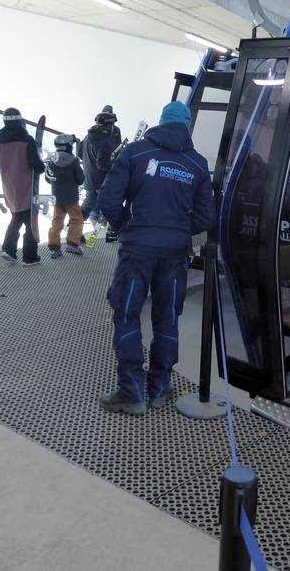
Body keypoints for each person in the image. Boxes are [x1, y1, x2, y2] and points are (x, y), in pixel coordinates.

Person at [97, 100, 215, 415]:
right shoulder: (197, 164)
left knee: (127, 313)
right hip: (175, 254)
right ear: (187, 126)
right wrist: (179, 231)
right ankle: (160, 387)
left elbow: (108, 199)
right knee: (167, 317)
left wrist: (126, 226)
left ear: (161, 122)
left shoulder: (135, 153)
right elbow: (206, 217)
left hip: (136, 251)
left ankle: (132, 392)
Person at [0, 107, 45, 266]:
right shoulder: (27, 139)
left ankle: (8, 250)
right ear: (20, 121)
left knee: (16, 217)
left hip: (9, 187)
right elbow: (36, 165)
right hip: (27, 186)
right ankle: (30, 257)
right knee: (30, 222)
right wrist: (42, 165)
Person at [45, 133, 85, 258]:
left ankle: (54, 248)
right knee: (76, 219)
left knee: (56, 222)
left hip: (57, 197)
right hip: (71, 198)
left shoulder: (51, 160)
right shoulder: (74, 161)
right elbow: (80, 179)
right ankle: (72, 245)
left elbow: (48, 178)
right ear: (68, 146)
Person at [80, 107, 120, 225]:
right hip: (101, 181)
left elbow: (79, 153)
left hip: (88, 178)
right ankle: (103, 226)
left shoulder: (88, 137)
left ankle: (75, 224)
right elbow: (103, 164)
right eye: (112, 124)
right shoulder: (104, 141)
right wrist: (115, 166)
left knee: (89, 203)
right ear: (108, 125)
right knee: (107, 203)